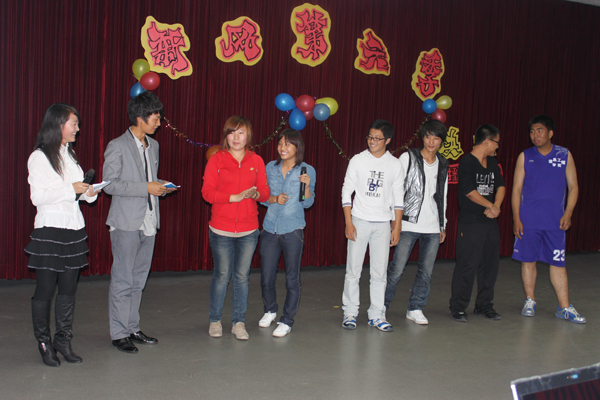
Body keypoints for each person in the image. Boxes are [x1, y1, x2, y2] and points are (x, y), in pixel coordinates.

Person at [25, 103, 100, 367]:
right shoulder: (39, 157)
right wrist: (71, 189)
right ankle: (44, 343)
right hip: (50, 230)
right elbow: (37, 197)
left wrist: (89, 193)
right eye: (74, 124)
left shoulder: (70, 154)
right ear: (58, 124)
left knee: (68, 290)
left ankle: (63, 340)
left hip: (74, 229)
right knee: (45, 290)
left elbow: (77, 195)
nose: (77, 129)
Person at [103, 92, 176, 353]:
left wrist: (161, 186)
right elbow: (110, 185)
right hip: (125, 221)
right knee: (123, 279)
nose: (159, 123)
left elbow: (148, 179)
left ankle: (132, 327)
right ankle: (119, 333)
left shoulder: (153, 146)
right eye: (155, 119)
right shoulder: (117, 145)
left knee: (138, 280)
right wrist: (146, 187)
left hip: (149, 220)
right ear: (139, 118)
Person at [202, 116, 270, 340]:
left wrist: (256, 194)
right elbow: (207, 192)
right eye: (232, 132)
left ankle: (238, 322)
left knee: (241, 277)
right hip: (220, 229)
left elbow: (265, 191)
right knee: (222, 275)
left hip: (248, 230)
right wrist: (233, 197)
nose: (236, 137)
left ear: (248, 136)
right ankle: (215, 320)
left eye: (241, 133)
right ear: (226, 136)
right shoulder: (217, 159)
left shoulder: (256, 160)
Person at [511, 115, 585, 323]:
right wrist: (516, 218)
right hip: (528, 220)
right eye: (532, 131)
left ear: (550, 133)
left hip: (555, 221)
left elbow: (574, 187)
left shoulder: (564, 155)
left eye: (540, 130)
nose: (535, 135)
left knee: (558, 262)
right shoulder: (525, 156)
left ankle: (564, 307)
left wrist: (568, 212)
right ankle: (530, 300)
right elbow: (516, 190)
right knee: (528, 260)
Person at [385, 119, 449, 325]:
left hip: (432, 225)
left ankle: (415, 307)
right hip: (407, 223)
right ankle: (381, 306)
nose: (431, 141)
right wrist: (394, 220)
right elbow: (395, 189)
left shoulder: (443, 162)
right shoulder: (408, 157)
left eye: (436, 138)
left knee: (426, 271)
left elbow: (443, 194)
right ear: (422, 136)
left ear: (441, 141)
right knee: (396, 269)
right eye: (428, 136)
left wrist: (442, 224)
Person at [341, 119, 402, 332]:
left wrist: (397, 226)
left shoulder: (394, 164)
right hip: (359, 220)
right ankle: (350, 312)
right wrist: (349, 222)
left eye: (377, 138)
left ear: (388, 140)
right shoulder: (358, 160)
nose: (372, 141)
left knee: (379, 273)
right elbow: (346, 191)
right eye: (370, 137)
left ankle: (377, 314)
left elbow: (398, 197)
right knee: (353, 271)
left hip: (383, 223)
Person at [258, 129, 316, 337]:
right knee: (266, 276)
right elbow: (262, 197)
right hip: (269, 228)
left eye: (288, 144)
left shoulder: (306, 170)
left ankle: (287, 320)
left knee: (292, 278)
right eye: (280, 143)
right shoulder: (270, 168)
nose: (282, 148)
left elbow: (307, 203)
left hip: (293, 230)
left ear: (297, 147)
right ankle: (270, 310)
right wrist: (274, 199)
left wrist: (306, 187)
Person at [449, 124, 505, 322]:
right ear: (487, 141)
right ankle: (458, 307)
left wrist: (496, 206)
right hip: (471, 222)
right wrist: (491, 205)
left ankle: (484, 305)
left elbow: (500, 186)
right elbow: (469, 192)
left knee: (490, 265)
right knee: (467, 265)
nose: (497, 147)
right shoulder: (467, 162)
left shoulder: (492, 162)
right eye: (496, 142)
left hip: (489, 222)